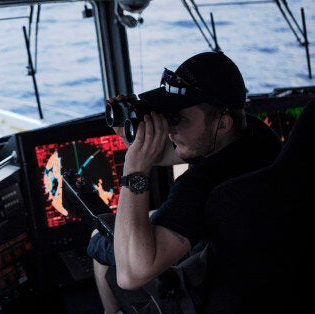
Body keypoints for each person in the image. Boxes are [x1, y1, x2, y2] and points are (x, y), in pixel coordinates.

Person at [86, 51, 283, 314]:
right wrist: (140, 142)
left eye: (178, 119)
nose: (169, 129)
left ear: (221, 124)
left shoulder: (200, 185)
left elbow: (131, 275)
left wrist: (134, 168)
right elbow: (181, 148)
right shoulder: (258, 137)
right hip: (262, 282)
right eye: (168, 116)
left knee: (99, 238)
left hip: (210, 291)